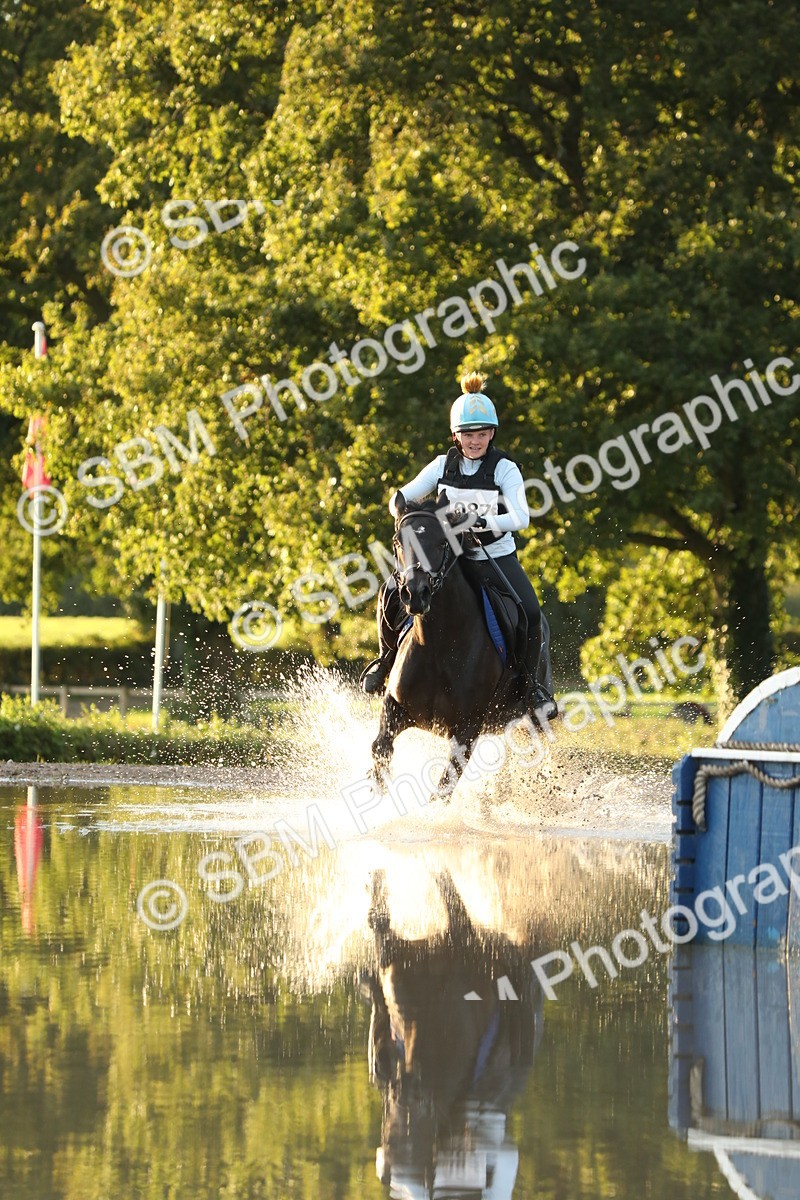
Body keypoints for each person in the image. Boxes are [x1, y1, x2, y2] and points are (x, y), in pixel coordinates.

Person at [361, 371, 555, 712]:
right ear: (456, 435)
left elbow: (521, 517)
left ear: (492, 434)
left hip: (492, 556)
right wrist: (398, 510)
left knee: (531, 611)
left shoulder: (504, 469)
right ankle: (385, 660)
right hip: (448, 560)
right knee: (391, 591)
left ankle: (530, 686)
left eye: (482, 434)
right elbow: (403, 495)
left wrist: (483, 521)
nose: (475, 441)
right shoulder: (441, 466)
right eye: (468, 435)